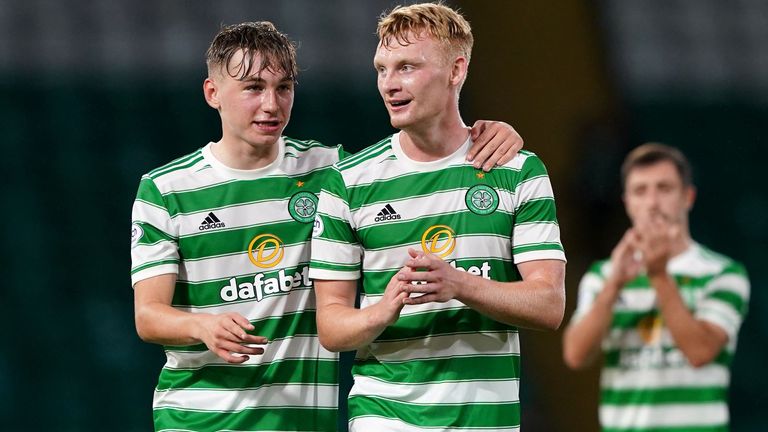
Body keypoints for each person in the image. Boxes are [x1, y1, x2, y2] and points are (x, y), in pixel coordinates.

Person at [130, 21, 526, 431]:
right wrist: (201, 325)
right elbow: (149, 315)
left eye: (283, 88)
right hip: (200, 418)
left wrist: (493, 132)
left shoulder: (331, 171)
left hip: (304, 421)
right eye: (253, 88)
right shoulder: (166, 189)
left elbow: (413, 160)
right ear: (213, 94)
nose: (271, 104)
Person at [309, 4, 567, 431]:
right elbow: (332, 327)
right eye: (382, 69)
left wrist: (458, 284)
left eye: (407, 67)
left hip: (486, 418)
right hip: (384, 413)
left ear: (456, 70)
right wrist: (382, 310)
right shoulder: (347, 182)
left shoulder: (518, 171)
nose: (389, 84)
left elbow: (549, 304)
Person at [562, 143, 750, 431]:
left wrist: (659, 275)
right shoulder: (603, 275)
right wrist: (613, 286)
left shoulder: (723, 273)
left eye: (664, 188)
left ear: (688, 197)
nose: (652, 202)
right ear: (627, 202)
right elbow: (576, 355)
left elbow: (700, 351)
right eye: (640, 191)